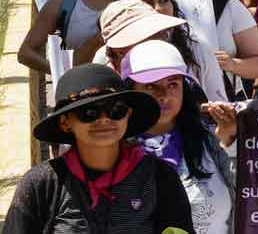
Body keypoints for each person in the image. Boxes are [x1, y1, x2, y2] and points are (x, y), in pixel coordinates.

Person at [3, 63, 195, 234]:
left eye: (115, 109)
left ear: (128, 115)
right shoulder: (42, 183)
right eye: (89, 112)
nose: (104, 119)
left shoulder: (160, 177)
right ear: (65, 122)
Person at [123, 41, 235, 234]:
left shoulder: (209, 140)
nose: (164, 95)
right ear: (130, 91)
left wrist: (231, 142)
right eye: (150, 86)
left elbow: (250, 196)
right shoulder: (112, 150)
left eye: (173, 84)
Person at [112, 0, 229, 102]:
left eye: (164, 0)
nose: (159, 8)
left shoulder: (197, 47)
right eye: (147, 2)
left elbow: (217, 100)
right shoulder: (113, 54)